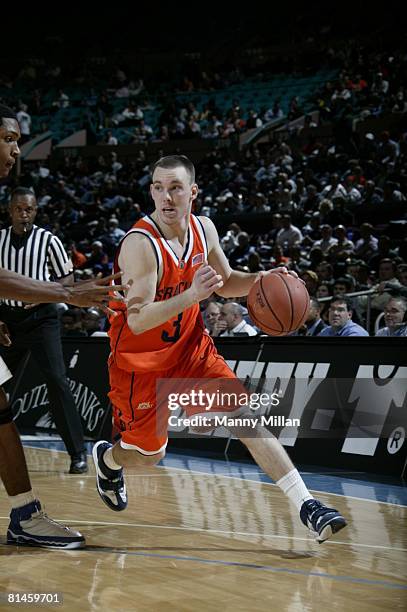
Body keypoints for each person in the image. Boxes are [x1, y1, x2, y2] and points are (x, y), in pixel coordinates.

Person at [93, 155, 347, 544]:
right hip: (139, 363)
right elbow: (138, 319)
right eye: (158, 187)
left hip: (191, 349)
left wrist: (265, 278)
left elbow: (226, 281)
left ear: (193, 192)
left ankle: (307, 504)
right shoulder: (139, 244)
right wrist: (193, 294)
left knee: (242, 414)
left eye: (175, 187)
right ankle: (108, 461)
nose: (166, 196)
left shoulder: (204, 229)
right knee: (149, 454)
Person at [0, 103, 128, 548]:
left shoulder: (48, 240)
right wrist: (69, 293)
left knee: (8, 410)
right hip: (19, 311)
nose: (17, 149)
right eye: (9, 139)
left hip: (39, 319)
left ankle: (27, 513)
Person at [0, 188, 89, 474]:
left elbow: (67, 284)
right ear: (10, 210)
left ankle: (78, 454)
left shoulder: (49, 240)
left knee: (57, 381)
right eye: (19, 209)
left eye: (30, 209)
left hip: (41, 319)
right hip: (7, 320)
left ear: (36, 210)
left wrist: (47, 295)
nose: (24, 214)